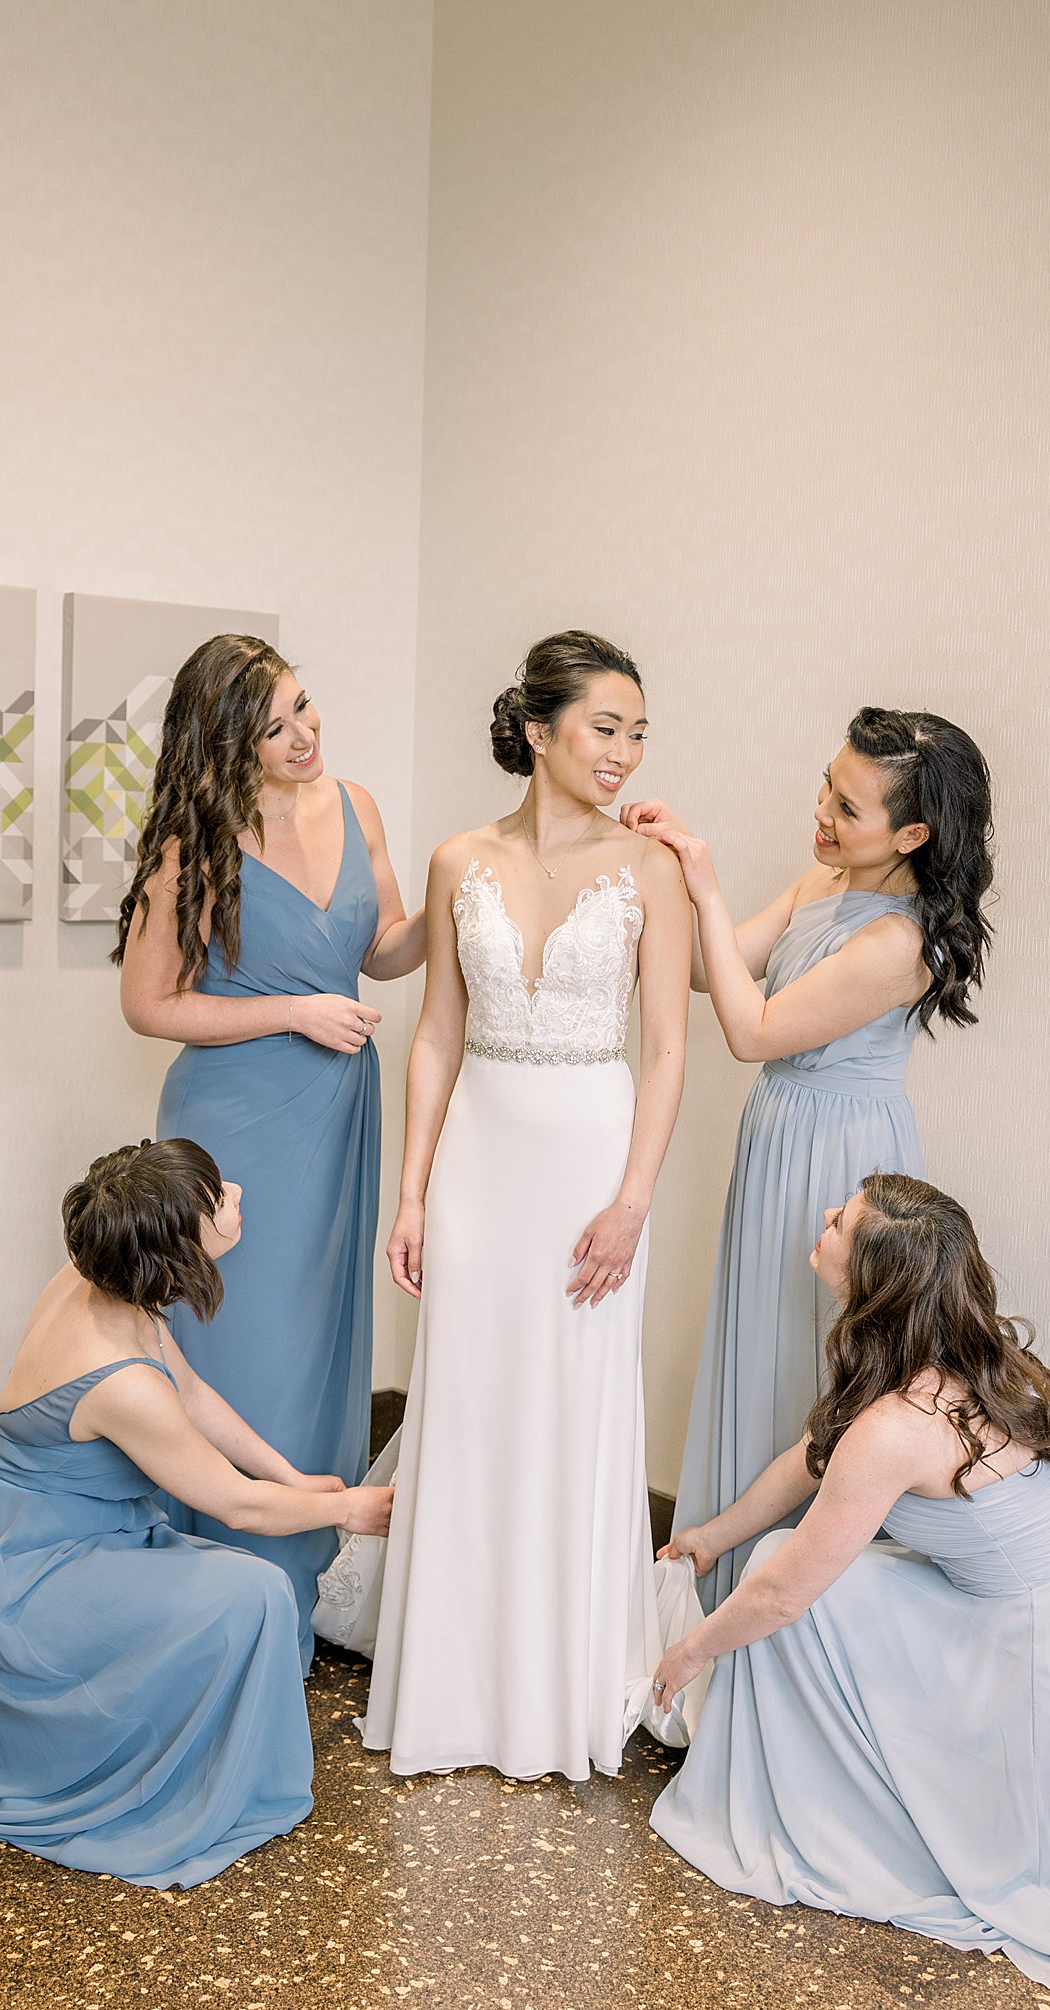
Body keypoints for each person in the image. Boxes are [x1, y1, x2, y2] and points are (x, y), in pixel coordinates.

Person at [647, 1173, 1050, 2010]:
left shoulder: (897, 1426)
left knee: (774, 1587)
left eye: (841, 1224)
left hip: (1042, 1653)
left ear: (872, 1282)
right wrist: (712, 1534)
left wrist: (690, 1648)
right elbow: (811, 1456)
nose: (822, 1219)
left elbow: (783, 1595)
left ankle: (834, 1807)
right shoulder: (962, 1355)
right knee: (774, 1560)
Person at [314, 629, 706, 1779]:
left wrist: (634, 1195)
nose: (625, 752)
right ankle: (455, 1684)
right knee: (473, 1397)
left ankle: (558, 1688)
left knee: (571, 1397)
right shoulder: (456, 859)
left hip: (591, 1154)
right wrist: (414, 1191)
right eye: (605, 727)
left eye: (638, 731)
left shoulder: (651, 871)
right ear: (538, 731)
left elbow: (671, 1049)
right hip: (481, 1155)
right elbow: (435, 1033)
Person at [0, 1140, 392, 1890]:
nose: (237, 1192)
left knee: (228, 1582)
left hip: (29, 1541)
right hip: (22, 1581)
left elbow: (190, 1393)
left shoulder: (108, 1282)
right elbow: (235, 1505)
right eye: (217, 1198)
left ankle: (164, 1743)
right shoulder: (117, 1382)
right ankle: (149, 1774)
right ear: (177, 1247)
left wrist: (294, 1476)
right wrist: (348, 1507)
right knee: (250, 1590)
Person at [624, 707, 993, 1607]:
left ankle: (782, 1613)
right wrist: (661, 872)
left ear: (913, 833)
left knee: (816, 1361)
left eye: (849, 805)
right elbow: (717, 972)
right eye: (826, 785)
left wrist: (703, 884)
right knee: (757, 1337)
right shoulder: (819, 882)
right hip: (777, 1135)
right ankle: (709, 1588)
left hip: (839, 1152)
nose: (823, 810)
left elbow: (749, 1032)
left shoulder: (901, 941)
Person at [115, 634, 424, 1667]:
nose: (302, 736)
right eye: (273, 726)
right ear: (222, 743)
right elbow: (148, 1004)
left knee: (314, 1340)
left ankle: (289, 1593)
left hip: (338, 1112)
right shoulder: (190, 847)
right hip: (235, 1119)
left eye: (304, 707)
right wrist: (291, 1009)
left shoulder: (358, 804)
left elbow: (377, 945)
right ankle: (208, 1605)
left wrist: (463, 903)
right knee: (234, 1346)